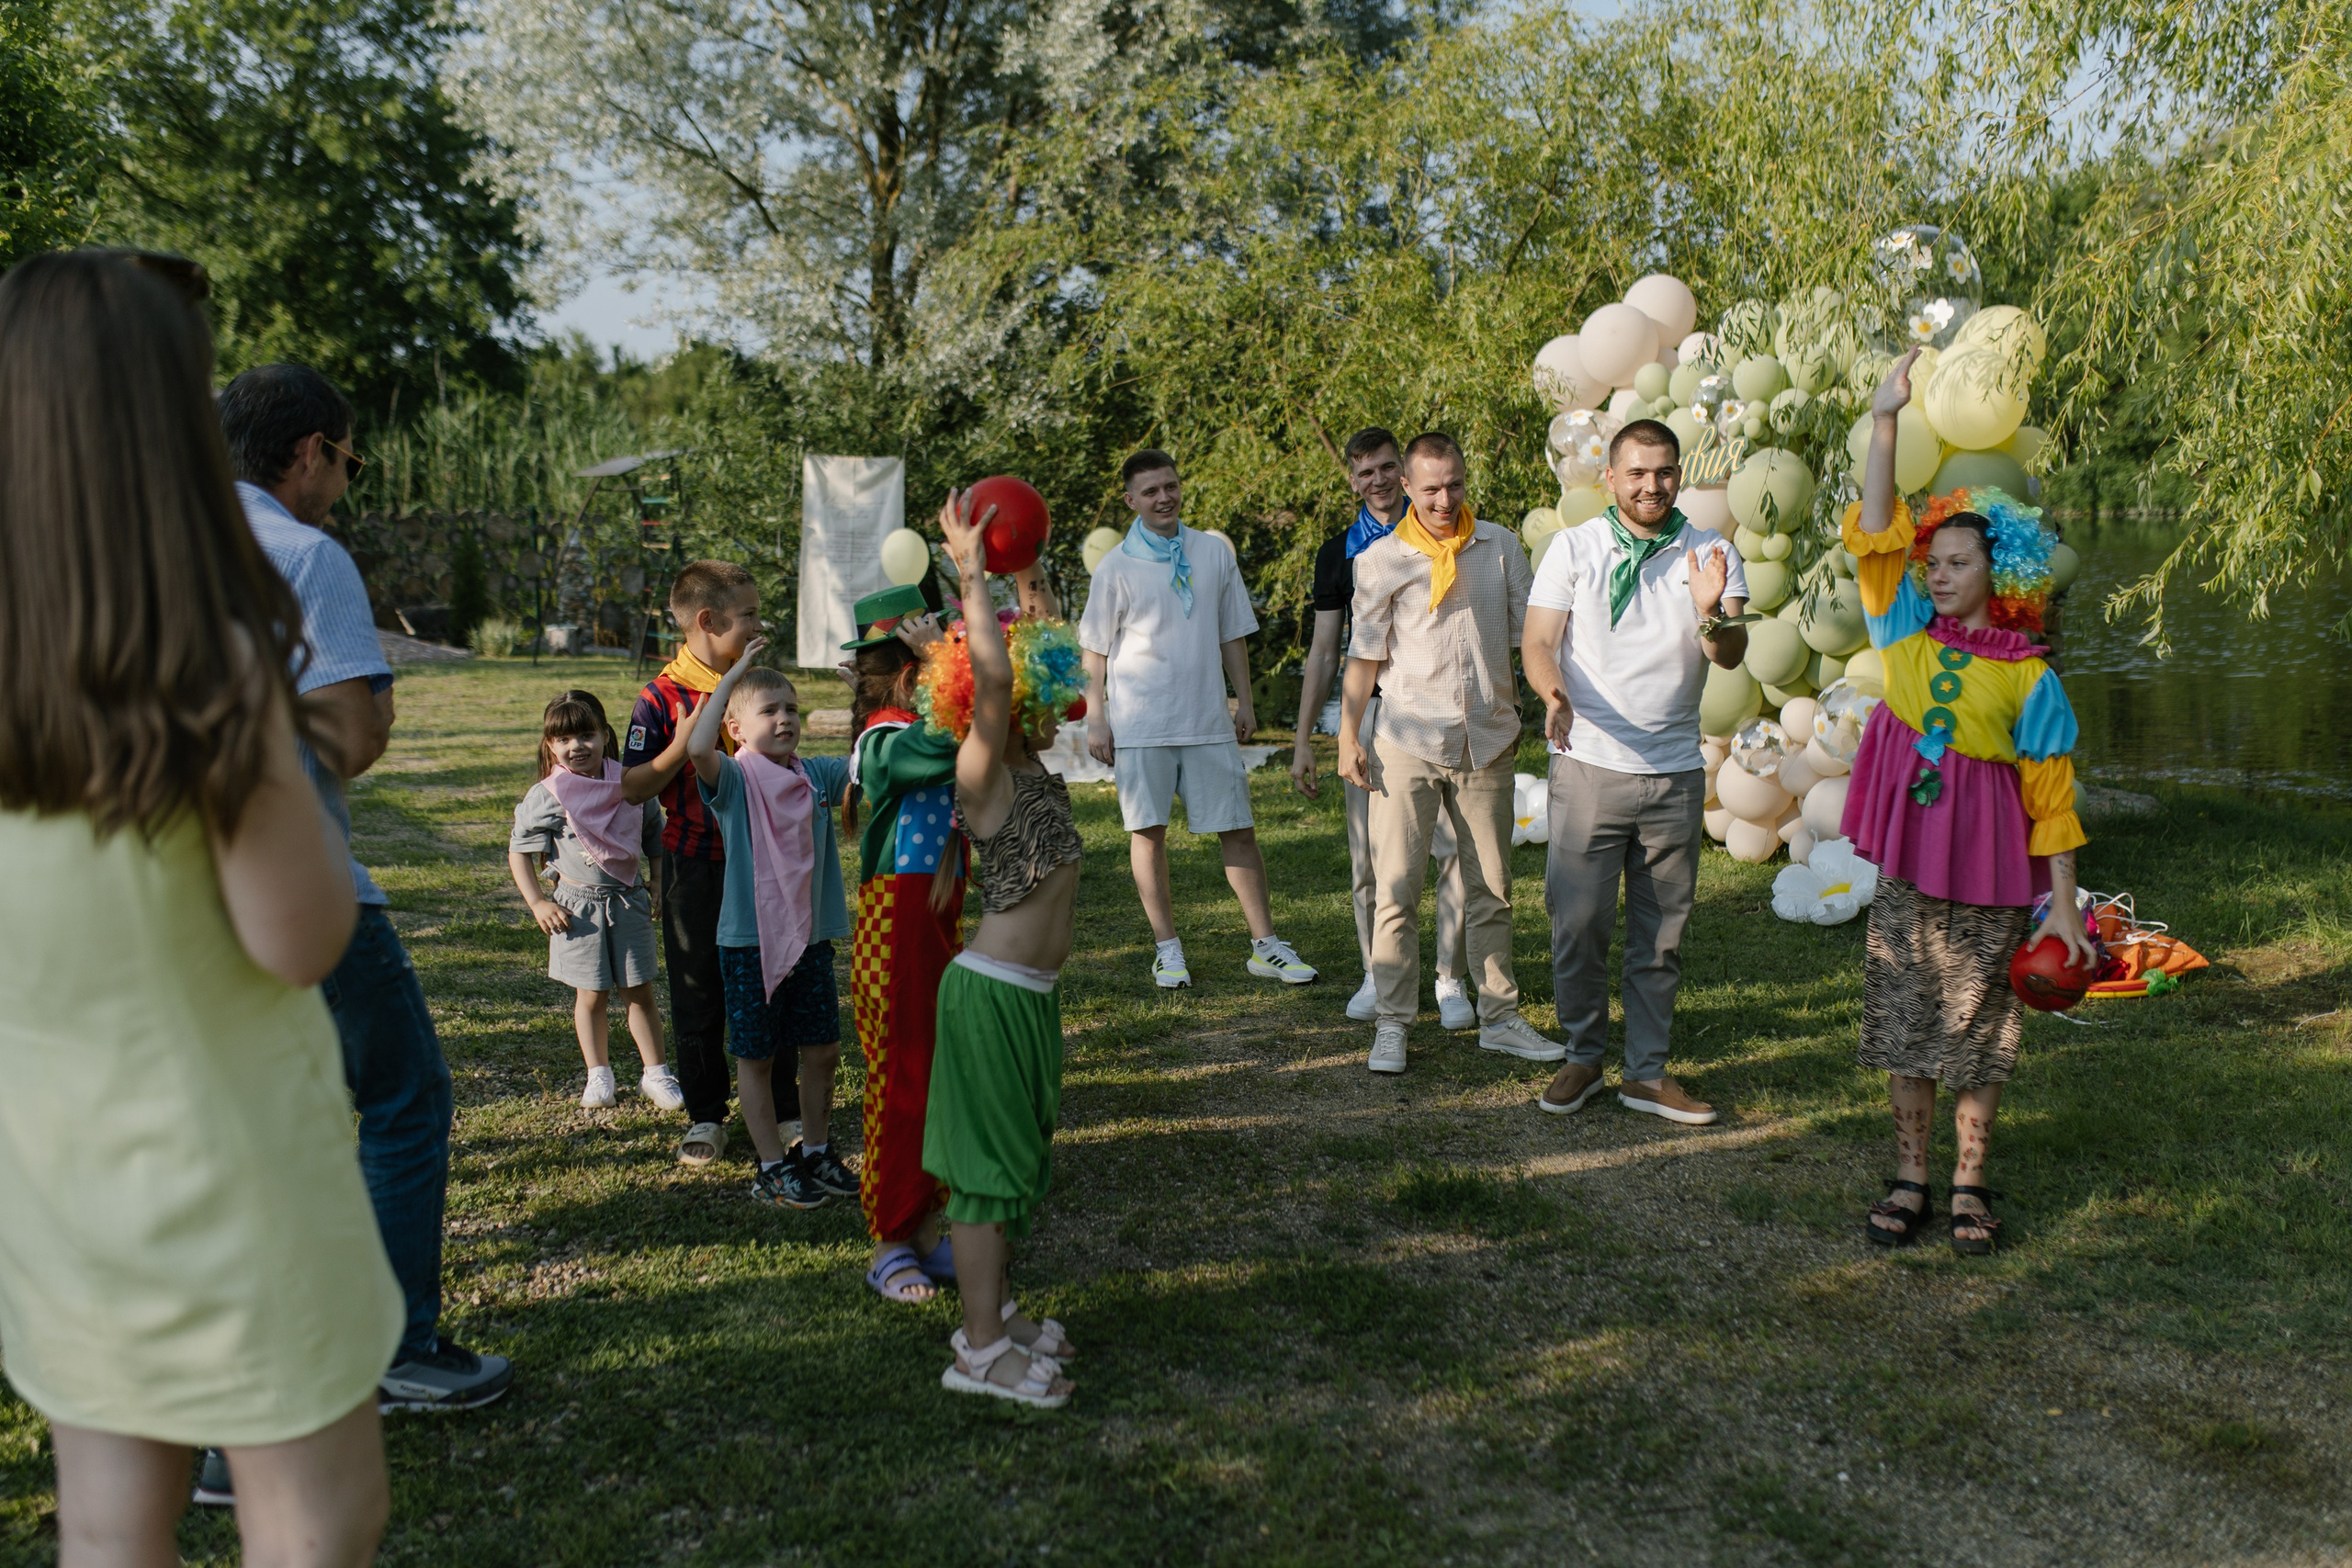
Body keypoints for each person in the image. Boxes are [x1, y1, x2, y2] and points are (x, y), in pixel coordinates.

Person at [0, 250, 401, 1568]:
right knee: (315, 1524)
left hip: (57, 1192)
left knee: (112, 1528)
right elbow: (303, 933)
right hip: (236, 1188)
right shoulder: (208, 674)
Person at [219, 361, 514, 1427]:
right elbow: (351, 734)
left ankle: (214, 1413)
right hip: (294, 883)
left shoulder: (139, 552)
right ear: (307, 452)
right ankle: (399, 1349)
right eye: (347, 459)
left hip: (158, 898)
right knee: (402, 1096)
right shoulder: (302, 554)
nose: (345, 478)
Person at [1845, 349, 2093, 1253]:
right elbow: (1875, 530)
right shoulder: (1902, 629)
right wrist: (1884, 423)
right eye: (1934, 561)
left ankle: (1968, 1186)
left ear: (1999, 571)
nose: (1938, 575)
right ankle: (1909, 1177)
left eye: (1956, 563)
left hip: (1989, 866)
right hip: (1914, 863)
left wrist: (2062, 902)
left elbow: (2052, 801)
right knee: (1905, 1021)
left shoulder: (2030, 679)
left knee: (1980, 1028)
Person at [1519, 418, 1751, 1127]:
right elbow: (1537, 640)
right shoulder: (1574, 547)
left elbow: (1732, 655)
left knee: (1661, 934)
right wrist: (1553, 694)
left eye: (1665, 471)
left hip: (1675, 771)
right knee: (1578, 922)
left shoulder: (1711, 551)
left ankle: (1645, 1074)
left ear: (1677, 475)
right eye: (1638, 472)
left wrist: (1710, 611)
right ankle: (1584, 1055)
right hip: (1589, 764)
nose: (1652, 485)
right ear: (1611, 478)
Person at [923, 489, 1085, 1408]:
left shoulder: (1035, 768)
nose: (1060, 700)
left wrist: (1026, 574)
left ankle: (997, 1307)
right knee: (983, 1177)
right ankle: (979, 1350)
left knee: (1014, 1162)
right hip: (988, 995)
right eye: (1046, 685)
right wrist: (973, 577)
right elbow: (992, 677)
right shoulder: (981, 770)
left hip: (1027, 1000)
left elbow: (1037, 639)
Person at [1338, 432, 1562, 1075]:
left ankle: (1499, 1017)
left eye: (1454, 484)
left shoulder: (1499, 547)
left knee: (1491, 886)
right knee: (1397, 888)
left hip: (1486, 739)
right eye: (1430, 488)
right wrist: (1349, 734)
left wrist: (1549, 696)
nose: (1444, 499)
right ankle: (1392, 1021)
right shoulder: (1382, 560)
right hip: (1405, 742)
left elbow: (1534, 636)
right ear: (1406, 487)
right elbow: (1363, 658)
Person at [1081, 449, 1316, 990]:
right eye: (1150, 491)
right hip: (1142, 725)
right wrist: (1097, 718)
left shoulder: (1212, 552)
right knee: (1148, 834)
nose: (1164, 497)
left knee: (1238, 830)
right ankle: (1168, 949)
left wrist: (1245, 702)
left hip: (1207, 718)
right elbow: (1094, 650)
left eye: (1170, 486)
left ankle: (1266, 946)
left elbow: (1231, 630)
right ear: (1131, 501)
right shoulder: (1115, 567)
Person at [1292, 428, 1473, 1028]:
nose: (1377, 481)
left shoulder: (1444, 537)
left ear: (1404, 472)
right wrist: (1305, 739)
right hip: (1370, 711)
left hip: (1436, 707)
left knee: (1448, 847)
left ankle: (1450, 977)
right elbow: (1325, 651)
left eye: (1386, 469)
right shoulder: (1337, 552)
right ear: (1352, 478)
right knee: (1368, 854)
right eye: (1364, 472)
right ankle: (1377, 971)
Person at [621, 562, 799, 1165]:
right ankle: (706, 1114)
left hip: (763, 865)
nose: (758, 622)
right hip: (693, 865)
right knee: (698, 989)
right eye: (747, 614)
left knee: (775, 978)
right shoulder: (661, 695)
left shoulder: (755, 686)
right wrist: (680, 745)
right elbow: (631, 787)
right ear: (707, 621)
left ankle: (786, 1106)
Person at [685, 655, 858, 1210]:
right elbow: (695, 750)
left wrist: (864, 696)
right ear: (736, 728)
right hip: (749, 944)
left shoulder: (814, 777)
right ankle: (769, 1168)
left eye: (791, 709)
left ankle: (816, 1151)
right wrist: (730, 681)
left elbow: (866, 761)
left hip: (809, 940)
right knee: (756, 1059)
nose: (784, 718)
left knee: (824, 1050)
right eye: (769, 711)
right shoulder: (735, 780)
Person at [841, 587, 965, 1302]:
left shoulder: (909, 717)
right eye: (929, 654)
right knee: (904, 1075)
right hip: (899, 928)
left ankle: (920, 1230)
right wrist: (944, 658)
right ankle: (890, 1239)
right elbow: (948, 741)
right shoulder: (884, 740)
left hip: (933, 922)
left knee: (935, 1075)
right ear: (907, 669)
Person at [506, 690, 684, 1111]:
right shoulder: (549, 794)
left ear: (605, 735)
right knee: (591, 995)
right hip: (575, 911)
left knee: (639, 991)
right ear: (550, 745)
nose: (576, 747)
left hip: (629, 902)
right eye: (564, 739)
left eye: (586, 735)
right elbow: (519, 850)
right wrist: (538, 903)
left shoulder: (628, 782)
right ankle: (598, 1074)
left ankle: (656, 1073)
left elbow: (654, 835)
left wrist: (657, 881)